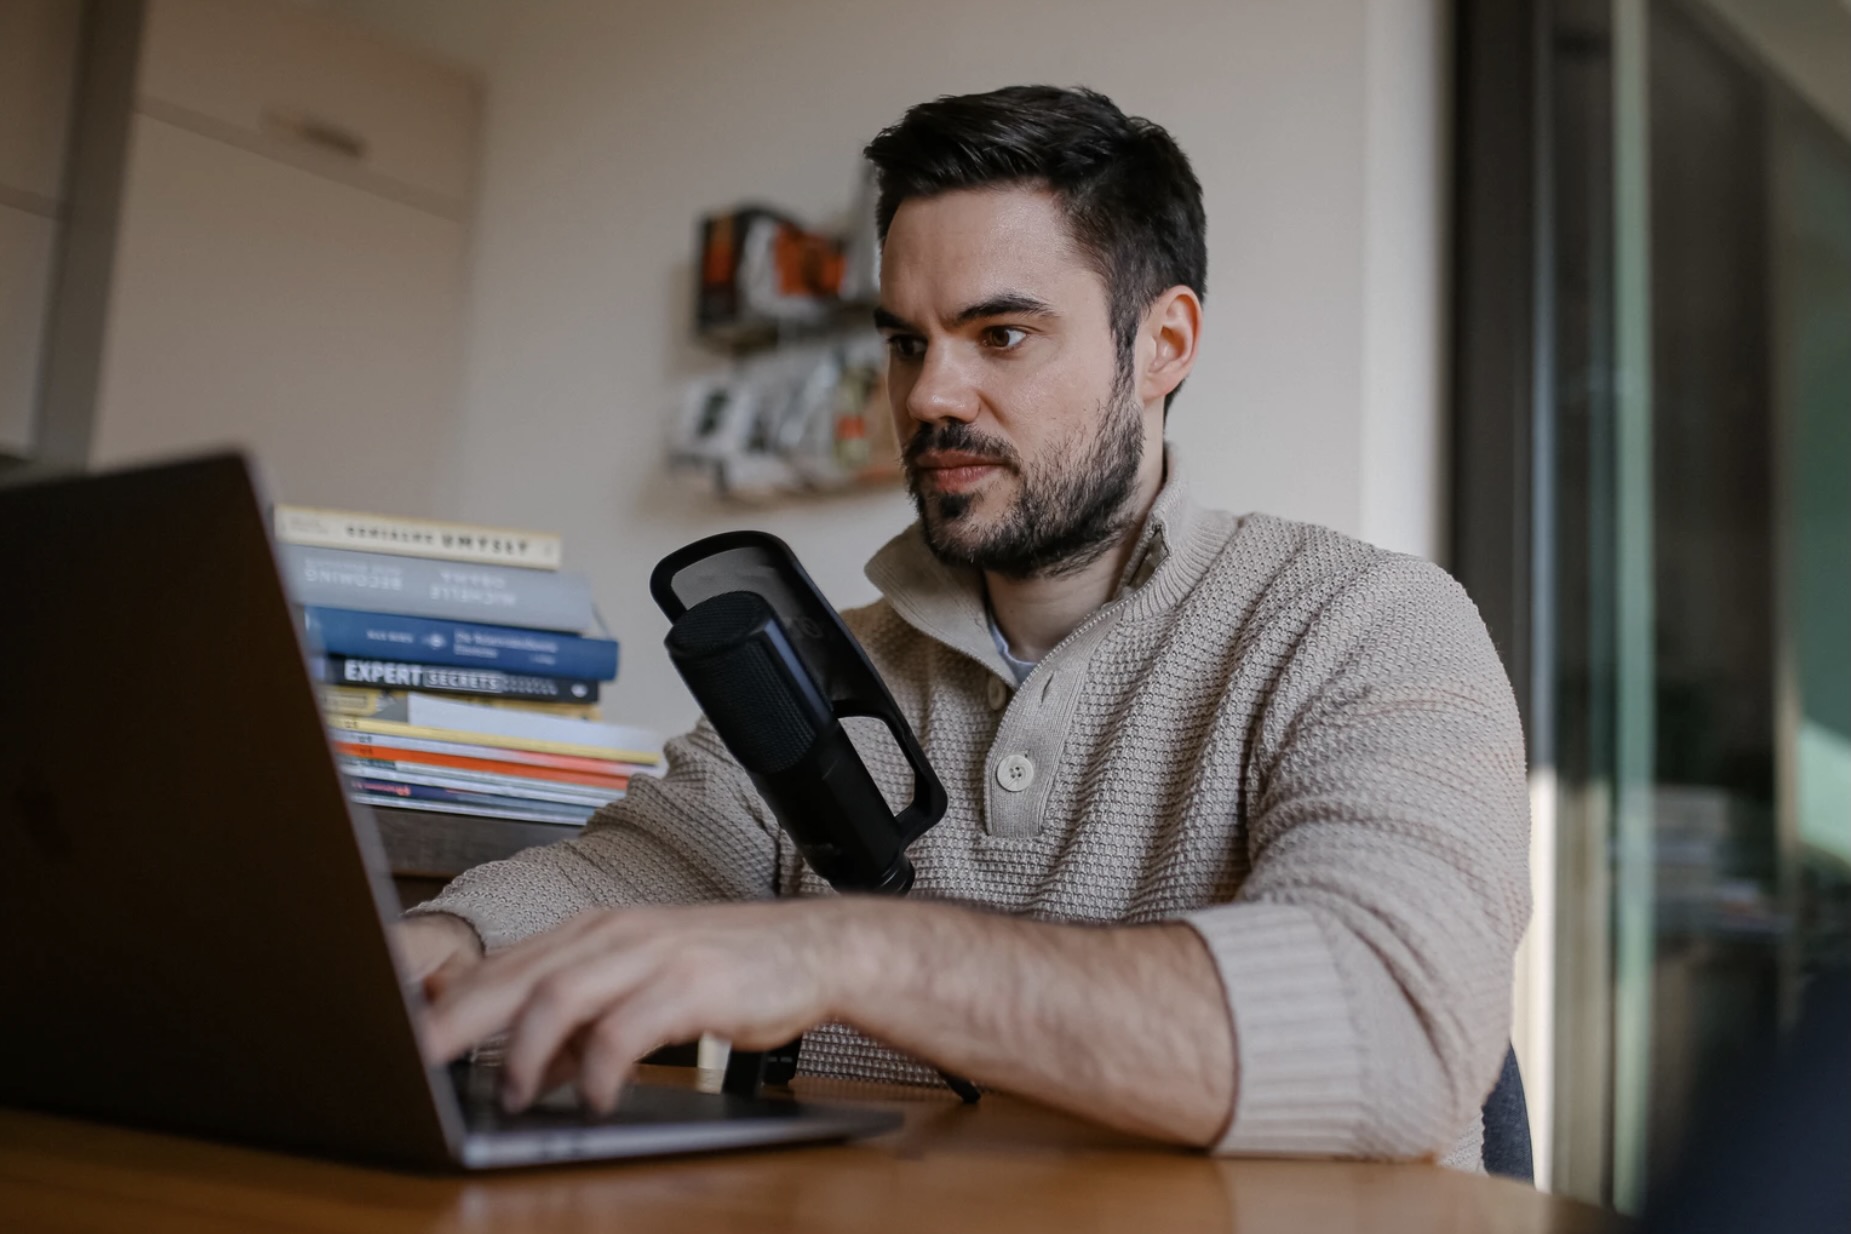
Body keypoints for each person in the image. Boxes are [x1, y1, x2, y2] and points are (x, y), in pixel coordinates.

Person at [400, 85, 1530, 1168]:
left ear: (1165, 344)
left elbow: (1394, 1029)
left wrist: (845, 951)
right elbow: (644, 867)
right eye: (905, 342)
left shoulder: (1369, 623)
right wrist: (450, 949)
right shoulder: (823, 662)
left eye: (1000, 335)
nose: (931, 395)